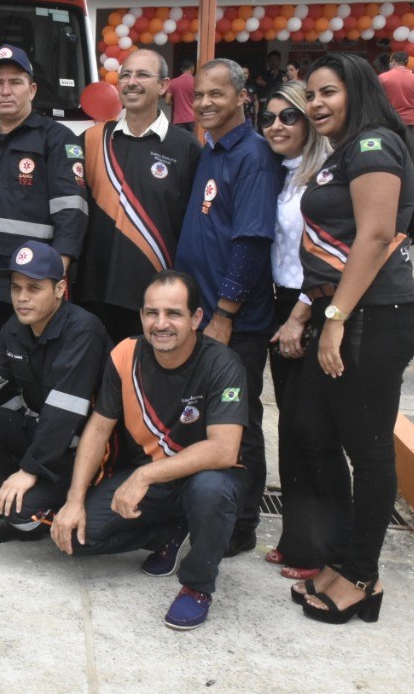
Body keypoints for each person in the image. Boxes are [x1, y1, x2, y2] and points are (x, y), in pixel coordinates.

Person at [289, 52, 414, 624]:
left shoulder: (373, 145)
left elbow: (374, 236)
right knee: (313, 430)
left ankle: (362, 578)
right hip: (348, 312)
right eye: (312, 95)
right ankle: (342, 558)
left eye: (329, 93)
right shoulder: (347, 149)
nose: (317, 104)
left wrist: (337, 318)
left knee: (368, 451)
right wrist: (311, 311)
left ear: (360, 93)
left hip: (374, 316)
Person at [51, 270, 250, 631]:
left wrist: (144, 475)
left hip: (207, 478)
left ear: (196, 319)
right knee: (77, 538)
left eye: (174, 313)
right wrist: (75, 498)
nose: (161, 324)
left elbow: (224, 449)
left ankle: (197, 586)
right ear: (141, 316)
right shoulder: (125, 354)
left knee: (210, 490)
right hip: (158, 481)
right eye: (151, 313)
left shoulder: (222, 364)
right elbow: (99, 426)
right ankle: (169, 532)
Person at [174, 57, 281, 558]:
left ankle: (239, 527)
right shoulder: (211, 150)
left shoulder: (253, 155)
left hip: (233, 324)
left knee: (238, 424)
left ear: (244, 98)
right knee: (204, 420)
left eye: (217, 94)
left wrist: (223, 314)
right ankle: (207, 512)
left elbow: (252, 241)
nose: (205, 103)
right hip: (202, 319)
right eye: (198, 95)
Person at [0, 241, 108, 544]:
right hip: (41, 436)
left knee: (24, 513)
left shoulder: (83, 330)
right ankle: (8, 497)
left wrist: (29, 470)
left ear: (59, 288)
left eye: (34, 288)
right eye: (16, 288)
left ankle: (23, 512)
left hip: (77, 450)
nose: (22, 298)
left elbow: (63, 416)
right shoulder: (16, 326)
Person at [0, 44, 88, 357]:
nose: (5, 91)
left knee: (34, 363)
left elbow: (71, 212)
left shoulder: (57, 138)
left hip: (32, 284)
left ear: (32, 89)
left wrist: (55, 276)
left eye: (15, 82)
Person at [79, 49, 201, 344]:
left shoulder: (185, 148)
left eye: (142, 75)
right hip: (92, 292)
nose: (131, 82)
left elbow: (194, 227)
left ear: (163, 85)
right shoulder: (92, 139)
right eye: (125, 75)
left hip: (152, 298)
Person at [260, 82, 330, 581]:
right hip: (284, 301)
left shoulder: (325, 178)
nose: (277, 126)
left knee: (313, 428)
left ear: (309, 122)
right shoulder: (285, 174)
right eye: (270, 118)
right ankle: (297, 536)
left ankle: (320, 547)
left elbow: (333, 257)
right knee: (290, 423)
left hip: (314, 305)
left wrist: (300, 316)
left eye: (290, 117)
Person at [378, 51, 414, 131]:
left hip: (389, 121)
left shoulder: (382, 78)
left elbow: (377, 101)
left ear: (393, 61)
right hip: (408, 122)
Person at [164, 60, 196, 132]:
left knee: (180, 141)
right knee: (193, 140)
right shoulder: (196, 82)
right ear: (192, 69)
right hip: (193, 118)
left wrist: (177, 101)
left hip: (178, 119)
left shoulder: (173, 82)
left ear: (181, 69)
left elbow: (167, 101)